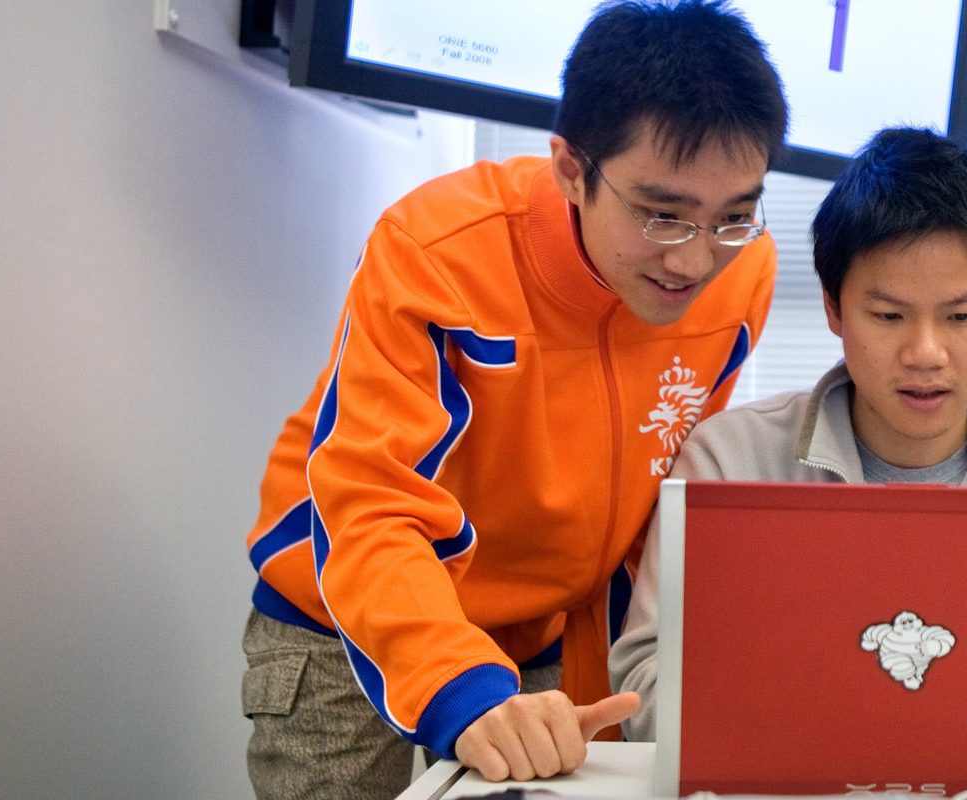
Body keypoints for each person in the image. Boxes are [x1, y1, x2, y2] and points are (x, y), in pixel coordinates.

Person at [238, 2, 789, 795]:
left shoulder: (745, 271)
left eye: (733, 215)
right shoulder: (436, 252)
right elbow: (369, 501)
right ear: (571, 167)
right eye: (662, 215)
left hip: (541, 634)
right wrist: (460, 688)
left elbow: (654, 498)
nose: (697, 260)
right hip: (347, 614)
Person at [609, 127, 967, 741]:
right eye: (888, 316)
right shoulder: (731, 463)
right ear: (833, 308)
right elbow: (646, 680)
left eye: (961, 316)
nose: (926, 353)